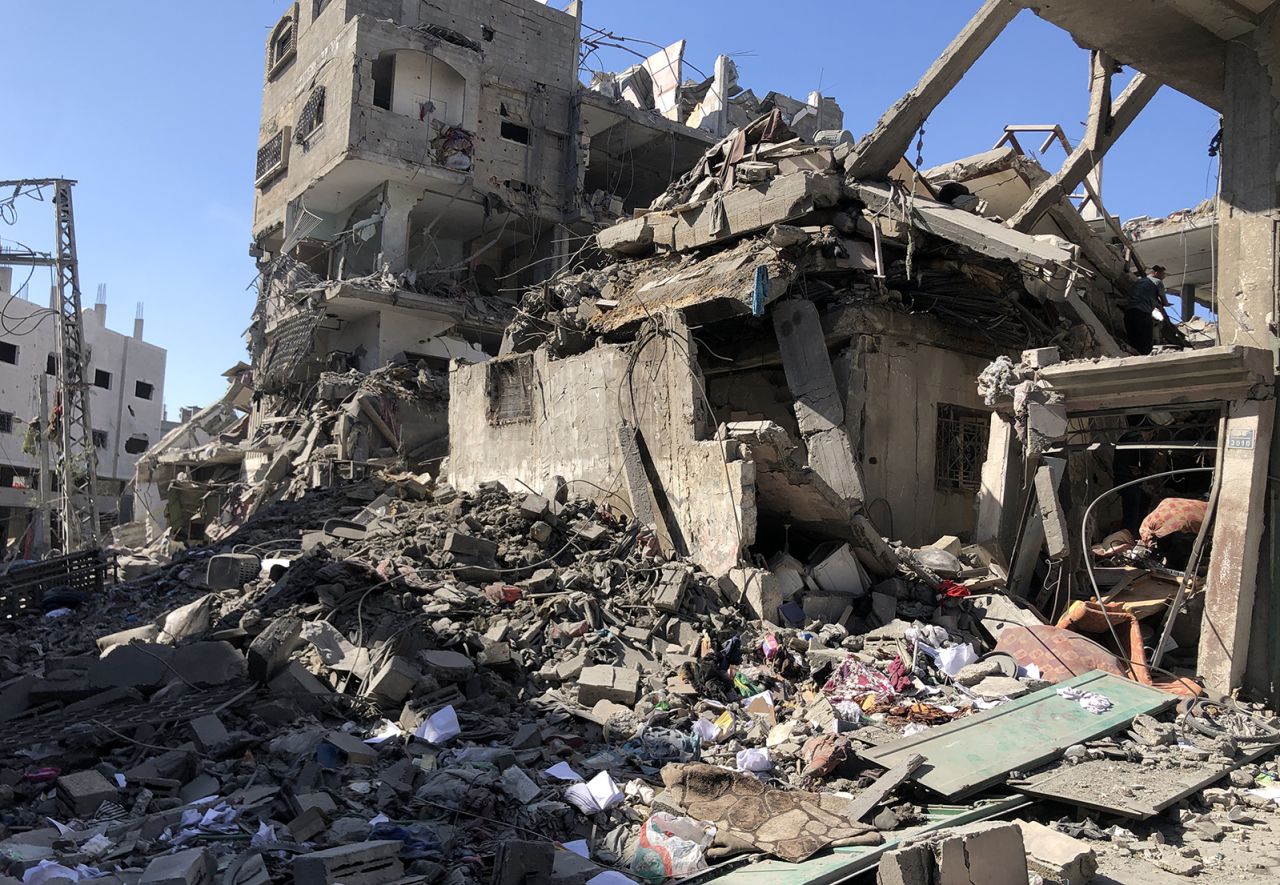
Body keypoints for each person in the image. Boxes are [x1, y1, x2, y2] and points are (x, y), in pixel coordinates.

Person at [1125, 265, 1169, 355]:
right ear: (1156, 273)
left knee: (1133, 340)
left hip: (1129, 312)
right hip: (1142, 313)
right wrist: (1165, 304)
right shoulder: (1157, 282)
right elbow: (1164, 301)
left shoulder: (1139, 281)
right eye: (1162, 274)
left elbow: (1145, 297)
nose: (1163, 277)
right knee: (1146, 341)